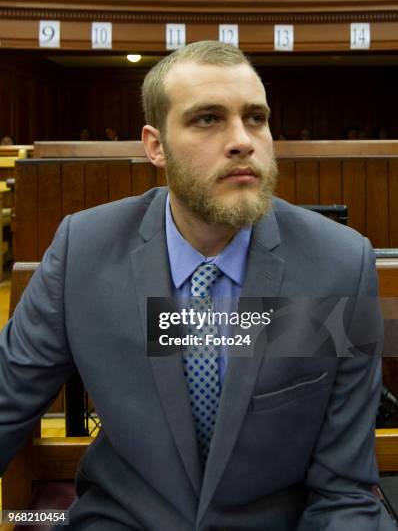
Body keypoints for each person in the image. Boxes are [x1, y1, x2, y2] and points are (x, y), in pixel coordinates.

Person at [0, 41, 387, 530]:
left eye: (255, 118)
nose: (242, 140)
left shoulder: (338, 264)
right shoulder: (85, 251)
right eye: (207, 119)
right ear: (155, 145)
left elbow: (345, 491)